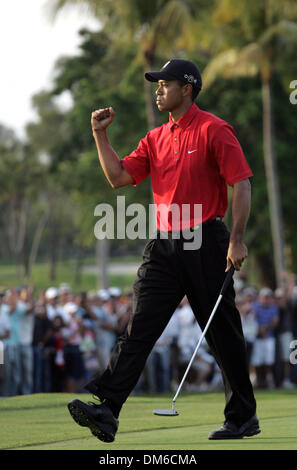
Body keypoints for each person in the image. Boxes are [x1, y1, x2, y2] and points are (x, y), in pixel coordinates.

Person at [68, 58, 259, 442]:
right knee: (139, 325)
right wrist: (99, 134)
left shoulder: (214, 130)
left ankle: (242, 417)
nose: (158, 89)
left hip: (206, 241)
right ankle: (107, 407)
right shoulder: (155, 138)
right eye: (157, 84)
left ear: (186, 89)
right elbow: (119, 177)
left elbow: (241, 184)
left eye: (164, 84)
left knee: (221, 332)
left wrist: (236, 238)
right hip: (164, 244)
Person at [250, 288, 279, 388]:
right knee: (257, 361)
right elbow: (252, 319)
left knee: (269, 360)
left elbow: (275, 321)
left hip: (269, 336)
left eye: (268, 297)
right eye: (264, 297)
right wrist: (259, 329)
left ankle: (268, 379)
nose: (266, 299)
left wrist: (265, 329)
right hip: (257, 337)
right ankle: (257, 380)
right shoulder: (255, 306)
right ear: (260, 298)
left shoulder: (273, 307)